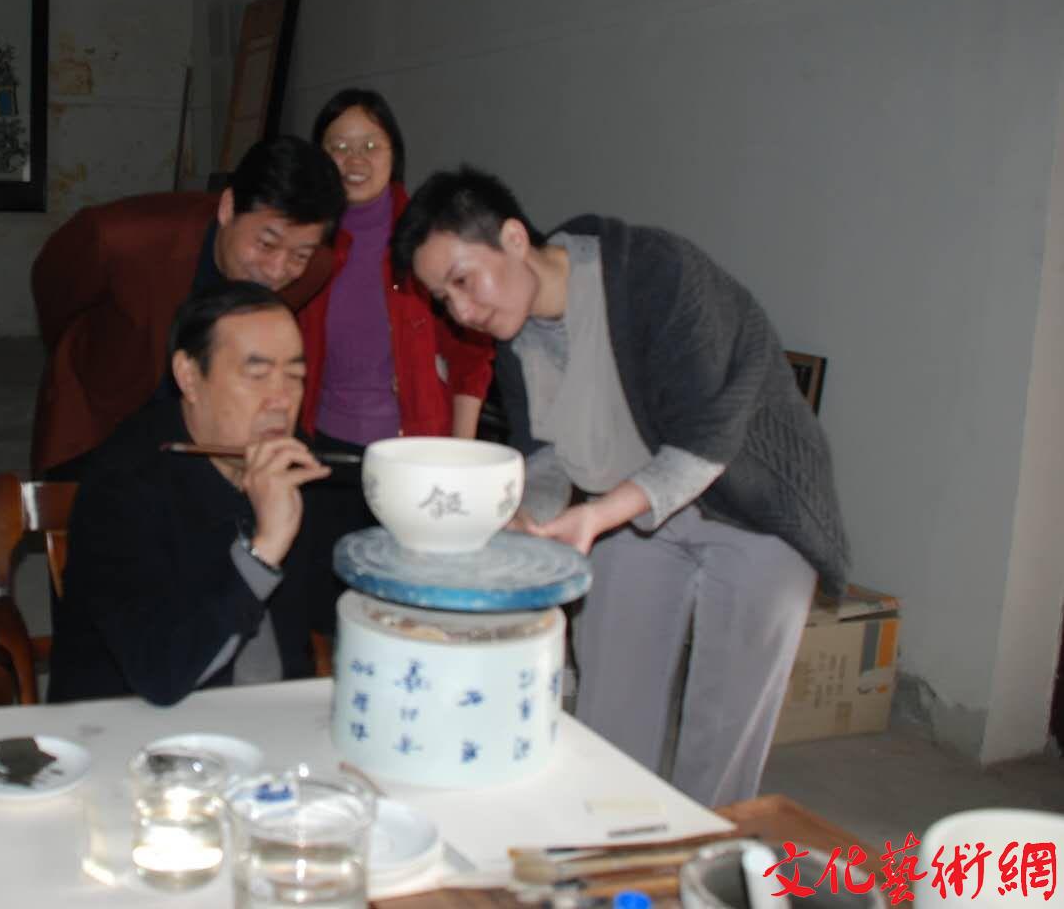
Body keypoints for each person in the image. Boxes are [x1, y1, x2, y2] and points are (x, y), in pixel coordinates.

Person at [391, 166, 850, 807]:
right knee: (611, 703)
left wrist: (598, 515)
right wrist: (525, 517)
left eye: (463, 280)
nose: (462, 312)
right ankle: (612, 837)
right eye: (444, 299)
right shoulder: (515, 334)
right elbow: (548, 454)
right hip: (628, 503)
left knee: (722, 732)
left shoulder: (656, 273)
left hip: (751, 507)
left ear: (515, 239)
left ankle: (706, 853)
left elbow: (707, 440)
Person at [47, 281, 333, 705]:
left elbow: (327, 604)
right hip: (137, 721)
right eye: (257, 375)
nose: (281, 399)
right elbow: (163, 673)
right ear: (189, 376)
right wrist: (264, 548)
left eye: (295, 376)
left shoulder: (293, 459)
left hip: (273, 716)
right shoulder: (124, 483)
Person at [294, 89, 493, 633]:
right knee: (325, 610)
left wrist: (459, 453)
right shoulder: (307, 238)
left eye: (369, 145)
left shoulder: (428, 236)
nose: (354, 160)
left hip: (414, 456)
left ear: (394, 153)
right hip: (324, 454)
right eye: (338, 146)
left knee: (407, 609)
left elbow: (471, 352)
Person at [29, 136, 345, 477]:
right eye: (266, 244)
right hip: (104, 411)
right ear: (228, 207)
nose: (276, 271)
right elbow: (56, 297)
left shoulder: (313, 269)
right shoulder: (118, 239)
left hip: (206, 426)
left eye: (299, 254)